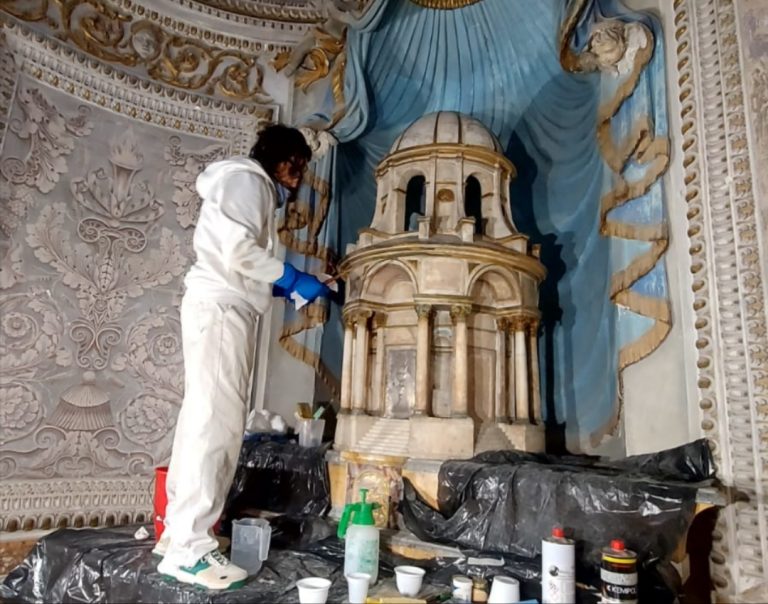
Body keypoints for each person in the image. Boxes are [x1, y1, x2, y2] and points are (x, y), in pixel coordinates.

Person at [155, 124, 331, 590]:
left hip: (222, 303)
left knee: (203, 417)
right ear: (279, 158)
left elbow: (237, 258)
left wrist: (281, 286)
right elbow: (237, 252)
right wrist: (290, 277)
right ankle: (190, 550)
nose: (299, 177)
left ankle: (176, 535)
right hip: (221, 308)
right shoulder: (250, 180)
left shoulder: (244, 185)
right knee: (218, 422)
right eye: (297, 164)